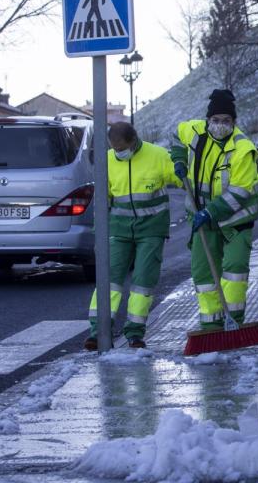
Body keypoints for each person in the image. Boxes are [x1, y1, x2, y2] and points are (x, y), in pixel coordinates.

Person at [170, 89, 258, 330]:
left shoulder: (243, 149)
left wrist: (210, 212)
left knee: (234, 272)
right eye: (216, 120)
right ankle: (211, 326)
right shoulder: (195, 131)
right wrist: (178, 159)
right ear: (208, 120)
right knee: (203, 275)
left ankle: (234, 324)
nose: (221, 125)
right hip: (203, 220)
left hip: (235, 221)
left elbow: (241, 192)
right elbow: (176, 136)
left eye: (227, 121)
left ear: (234, 122)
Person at [85, 122, 181, 350]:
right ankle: (98, 332)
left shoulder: (158, 155)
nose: (119, 153)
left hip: (152, 229)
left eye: (123, 148)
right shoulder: (107, 160)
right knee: (109, 280)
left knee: (143, 282)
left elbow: (181, 180)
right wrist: (99, 235)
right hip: (119, 229)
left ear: (134, 140)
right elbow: (102, 201)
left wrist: (182, 167)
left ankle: (135, 334)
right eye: (115, 149)